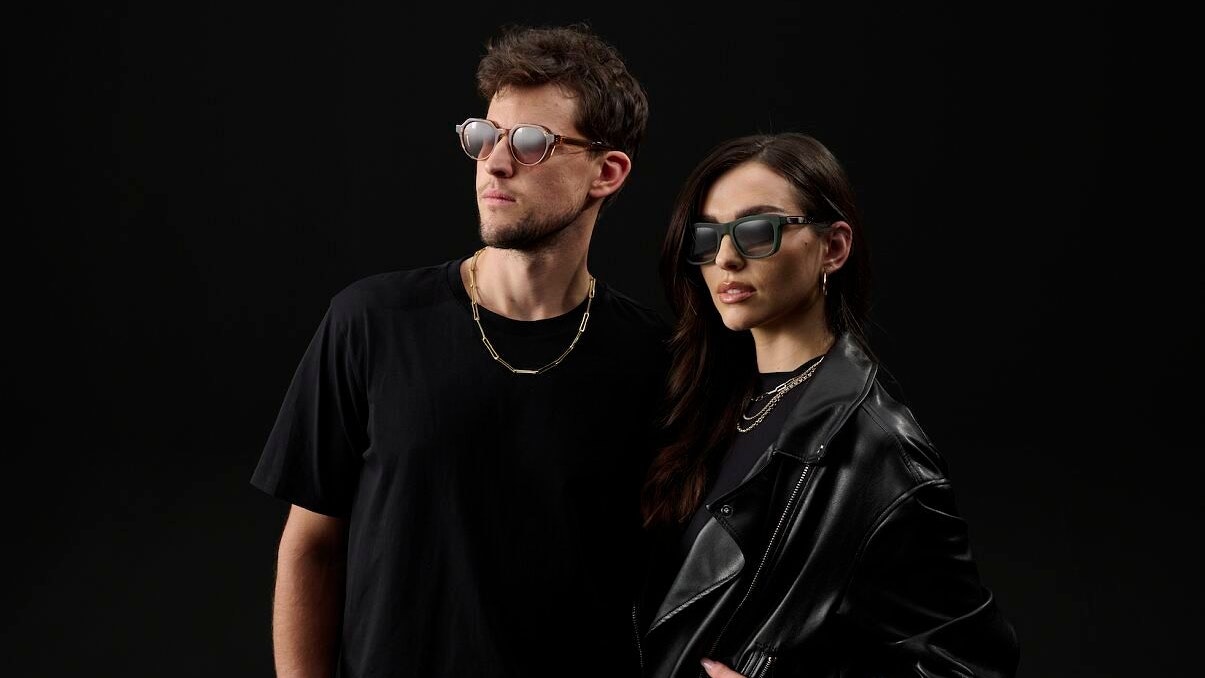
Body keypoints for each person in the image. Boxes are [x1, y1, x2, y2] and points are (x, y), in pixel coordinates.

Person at [250, 23, 669, 678]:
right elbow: (311, 547)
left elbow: (673, 576)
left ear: (606, 172)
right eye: (484, 136)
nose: (495, 163)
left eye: (529, 143)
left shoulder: (654, 358)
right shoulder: (372, 322)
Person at [634, 132, 1019, 677]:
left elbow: (972, 665)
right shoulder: (696, 401)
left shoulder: (878, 447)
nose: (725, 258)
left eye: (757, 231)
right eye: (708, 235)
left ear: (833, 248)